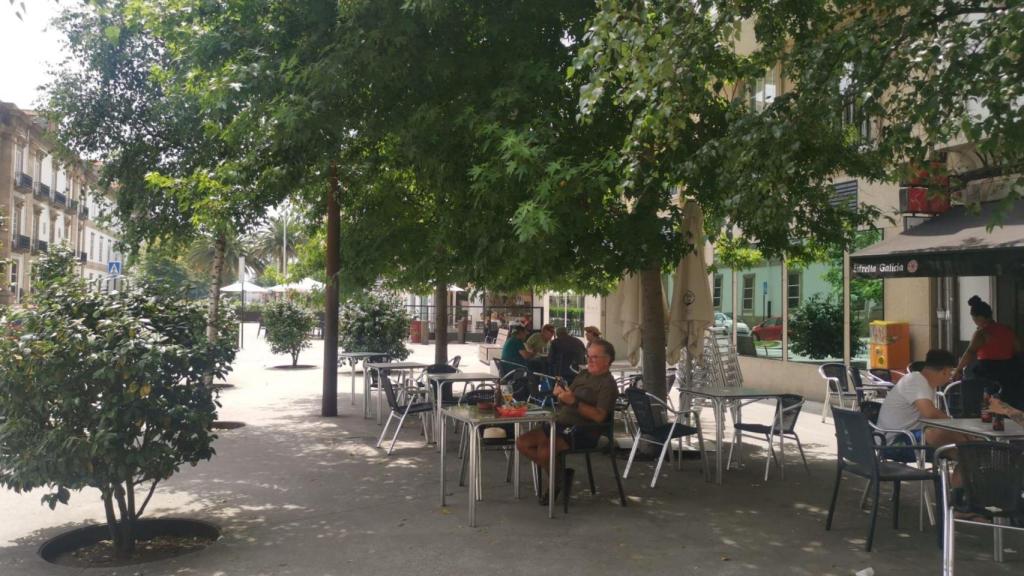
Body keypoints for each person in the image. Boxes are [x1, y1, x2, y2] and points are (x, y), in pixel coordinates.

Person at [516, 339, 619, 504]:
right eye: (588, 356)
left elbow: (600, 416)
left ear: (608, 360)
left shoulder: (608, 384)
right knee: (523, 443)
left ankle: (556, 483)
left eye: (595, 357)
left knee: (544, 451)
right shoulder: (584, 374)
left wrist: (574, 402)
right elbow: (569, 398)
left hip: (583, 430)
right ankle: (560, 476)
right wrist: (561, 394)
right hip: (561, 423)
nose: (589, 360)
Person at [876, 349, 971, 447]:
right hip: (892, 441)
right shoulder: (915, 380)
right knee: (936, 434)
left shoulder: (926, 384)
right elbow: (930, 413)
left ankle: (964, 458)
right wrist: (955, 426)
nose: (950, 377)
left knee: (951, 436)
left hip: (906, 435)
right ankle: (967, 457)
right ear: (945, 371)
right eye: (951, 372)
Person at [953, 295, 1021, 406]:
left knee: (971, 379)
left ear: (978, 317)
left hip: (988, 371)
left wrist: (958, 369)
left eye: (974, 319)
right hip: (1010, 370)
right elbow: (1019, 350)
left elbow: (970, 352)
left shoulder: (982, 333)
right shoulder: (1008, 329)